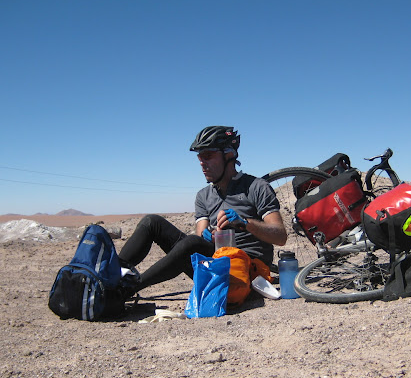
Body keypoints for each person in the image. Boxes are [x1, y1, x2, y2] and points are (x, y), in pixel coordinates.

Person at [117, 125, 287, 294]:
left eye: (208, 156)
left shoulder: (257, 187)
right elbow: (199, 238)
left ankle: (127, 290)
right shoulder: (203, 196)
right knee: (152, 222)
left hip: (247, 269)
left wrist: (245, 223)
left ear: (229, 155)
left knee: (191, 243)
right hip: (215, 263)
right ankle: (110, 277)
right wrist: (208, 237)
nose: (202, 163)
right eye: (199, 158)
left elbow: (280, 236)